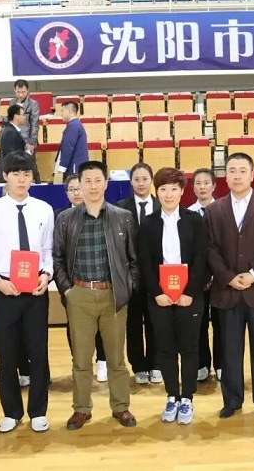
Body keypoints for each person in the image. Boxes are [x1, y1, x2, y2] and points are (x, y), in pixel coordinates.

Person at [53, 161, 139, 430]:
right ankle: (81, 409)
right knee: (81, 359)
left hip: (113, 296)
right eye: (86, 181)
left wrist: (128, 288)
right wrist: (68, 290)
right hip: (79, 295)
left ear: (106, 183)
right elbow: (57, 258)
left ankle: (121, 406)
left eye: (97, 180)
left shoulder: (123, 217)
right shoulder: (66, 218)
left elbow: (134, 260)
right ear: (79, 185)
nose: (92, 186)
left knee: (116, 358)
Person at [205, 152, 254, 421]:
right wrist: (228, 277)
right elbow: (210, 249)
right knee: (229, 351)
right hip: (226, 291)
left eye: (242, 171)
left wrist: (253, 274)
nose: (237, 176)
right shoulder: (214, 210)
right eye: (232, 171)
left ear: (252, 175)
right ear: (225, 176)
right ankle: (232, 400)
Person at [0, 153, 54, 433]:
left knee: (38, 351)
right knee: (7, 353)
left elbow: (48, 249)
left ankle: (38, 411)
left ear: (33, 177)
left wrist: (47, 274)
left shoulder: (44, 209)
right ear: (5, 176)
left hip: (35, 288)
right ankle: (11, 412)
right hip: (5, 287)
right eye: (16, 174)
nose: (22, 180)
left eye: (27, 174)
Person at [138, 167, 210, 425]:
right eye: (163, 189)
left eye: (174, 189)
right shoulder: (148, 223)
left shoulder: (194, 220)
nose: (168, 194)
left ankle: (187, 397)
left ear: (182, 191)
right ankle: (172, 395)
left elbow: (202, 259)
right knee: (165, 348)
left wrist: (190, 292)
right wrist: (156, 293)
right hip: (159, 298)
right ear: (157, 192)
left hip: (189, 296)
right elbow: (144, 263)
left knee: (189, 348)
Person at [57, 175, 107, 383]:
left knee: (102, 325)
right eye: (72, 189)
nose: (77, 193)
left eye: (80, 188)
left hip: (101, 283)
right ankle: (78, 360)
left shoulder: (103, 213)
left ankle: (102, 361)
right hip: (74, 285)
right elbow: (58, 254)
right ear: (66, 193)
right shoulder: (61, 217)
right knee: (75, 326)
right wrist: (67, 288)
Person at [116, 163, 161, 384]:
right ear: (131, 181)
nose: (141, 183)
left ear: (151, 180)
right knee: (133, 323)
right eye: (136, 179)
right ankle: (138, 366)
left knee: (156, 322)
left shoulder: (162, 204)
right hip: (130, 276)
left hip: (157, 275)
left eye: (145, 179)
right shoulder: (120, 208)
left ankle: (156, 364)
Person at [188, 168, 221, 382]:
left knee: (221, 324)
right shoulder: (188, 214)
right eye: (198, 183)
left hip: (221, 279)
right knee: (198, 324)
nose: (202, 187)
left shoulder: (223, 210)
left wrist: (215, 275)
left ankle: (221, 364)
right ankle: (201, 364)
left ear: (214, 186)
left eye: (206, 183)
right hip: (197, 281)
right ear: (192, 188)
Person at [1, 79, 40, 153]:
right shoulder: (12, 102)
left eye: (23, 92)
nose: (20, 95)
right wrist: (3, 119)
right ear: (14, 90)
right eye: (18, 92)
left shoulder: (33, 104)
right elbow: (11, 119)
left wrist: (31, 142)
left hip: (27, 139)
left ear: (28, 90)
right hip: (13, 137)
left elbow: (35, 125)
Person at [53, 101, 89, 179]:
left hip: (74, 168)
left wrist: (62, 167)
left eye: (62, 111)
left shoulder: (73, 126)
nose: (61, 114)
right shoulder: (76, 124)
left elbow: (68, 147)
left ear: (69, 111)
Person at [0, 104, 28, 183]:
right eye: (23, 115)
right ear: (16, 116)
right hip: (11, 174)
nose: (25, 117)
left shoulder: (12, 131)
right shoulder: (10, 132)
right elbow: (11, 155)